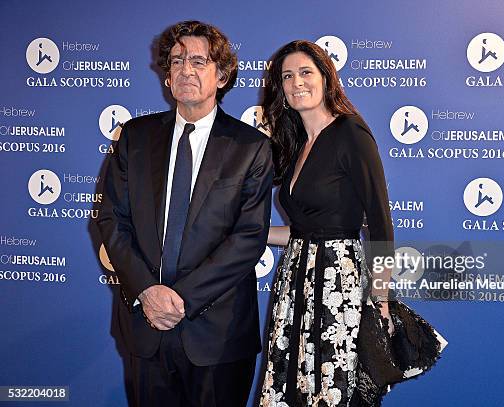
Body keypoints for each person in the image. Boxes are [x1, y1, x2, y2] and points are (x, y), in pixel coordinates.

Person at [97, 20, 273, 407]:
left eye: (198, 61)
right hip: (146, 327)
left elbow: (248, 238)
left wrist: (179, 299)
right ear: (166, 75)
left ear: (222, 75)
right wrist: (147, 291)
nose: (185, 71)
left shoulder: (251, 147)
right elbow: (112, 220)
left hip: (219, 335)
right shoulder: (135, 137)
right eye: (176, 62)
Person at [259, 40, 396, 406]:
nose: (296, 82)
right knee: (289, 387)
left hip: (339, 284)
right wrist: (244, 234)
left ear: (326, 77)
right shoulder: (296, 143)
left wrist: (381, 301)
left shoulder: (351, 133)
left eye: (305, 72)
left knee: (331, 388)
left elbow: (381, 225)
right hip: (294, 281)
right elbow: (303, 231)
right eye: (287, 76)